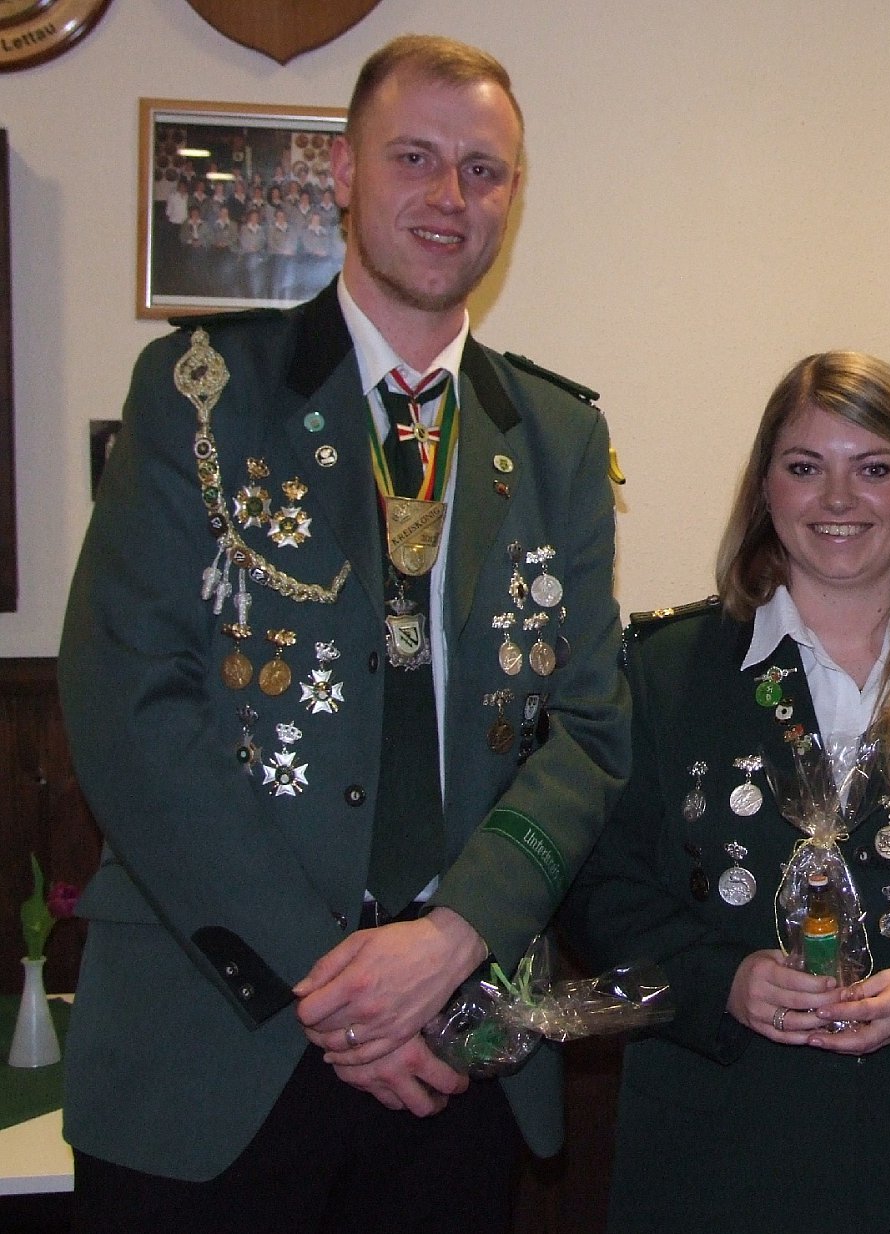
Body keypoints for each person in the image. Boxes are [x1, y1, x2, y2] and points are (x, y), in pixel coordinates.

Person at [58, 34, 628, 1233]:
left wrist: (452, 937)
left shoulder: (559, 437)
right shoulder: (201, 393)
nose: (449, 195)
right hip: (216, 1035)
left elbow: (586, 727)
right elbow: (130, 700)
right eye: (414, 156)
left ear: (513, 198)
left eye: (484, 170)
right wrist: (341, 988)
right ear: (342, 171)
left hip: (459, 1041)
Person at [562, 350, 890, 1233]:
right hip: (715, 1147)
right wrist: (721, 982)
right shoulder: (663, 671)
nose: (838, 500)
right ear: (765, 487)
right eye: (805, 468)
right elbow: (600, 890)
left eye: (873, 469)